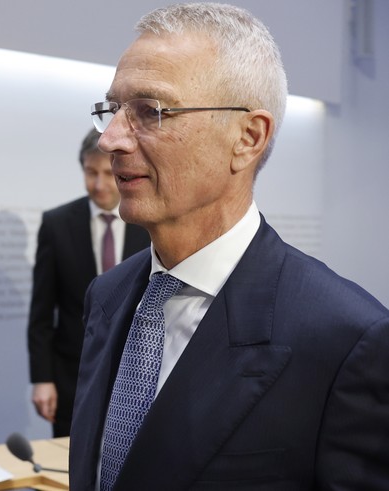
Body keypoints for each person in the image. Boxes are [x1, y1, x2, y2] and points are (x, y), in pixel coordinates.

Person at [70, 3, 389, 490]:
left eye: (150, 111)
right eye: (112, 110)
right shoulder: (108, 295)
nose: (111, 138)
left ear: (248, 137)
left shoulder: (343, 338)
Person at [28, 129, 149, 437]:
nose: (98, 184)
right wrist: (42, 379)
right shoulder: (56, 224)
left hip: (136, 373)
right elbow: (42, 312)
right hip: (73, 375)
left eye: (108, 173)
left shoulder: (148, 221)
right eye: (90, 172)